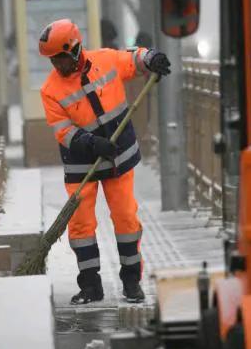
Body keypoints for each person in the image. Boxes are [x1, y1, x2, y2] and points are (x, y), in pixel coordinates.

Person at [38, 18, 171, 304]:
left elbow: (134, 59)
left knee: (125, 218)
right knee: (81, 226)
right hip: (81, 164)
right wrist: (91, 143)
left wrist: (153, 58)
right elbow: (63, 131)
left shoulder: (105, 60)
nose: (58, 66)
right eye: (53, 61)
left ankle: (132, 281)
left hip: (118, 159)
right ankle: (90, 286)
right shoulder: (50, 91)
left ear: (75, 49)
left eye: (61, 58)